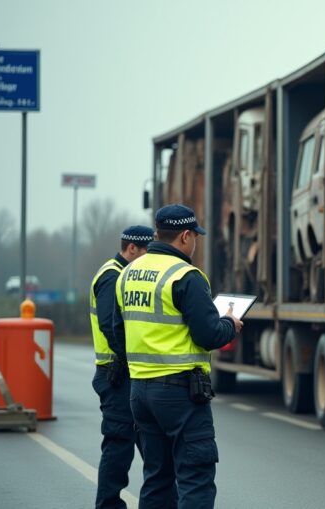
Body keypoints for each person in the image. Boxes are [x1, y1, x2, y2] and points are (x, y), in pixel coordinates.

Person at [113, 204, 242, 509]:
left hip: (140, 392)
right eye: (195, 236)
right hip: (181, 393)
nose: (195, 242)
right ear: (185, 236)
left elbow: (118, 334)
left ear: (158, 233)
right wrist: (230, 324)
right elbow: (209, 335)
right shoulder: (186, 276)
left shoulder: (128, 273)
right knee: (195, 477)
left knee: (157, 478)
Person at [89, 225, 154, 508]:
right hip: (115, 374)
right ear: (131, 249)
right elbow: (109, 326)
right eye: (146, 253)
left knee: (151, 448)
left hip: (128, 373)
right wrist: (134, 355)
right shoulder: (111, 277)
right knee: (118, 447)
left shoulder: (124, 274)